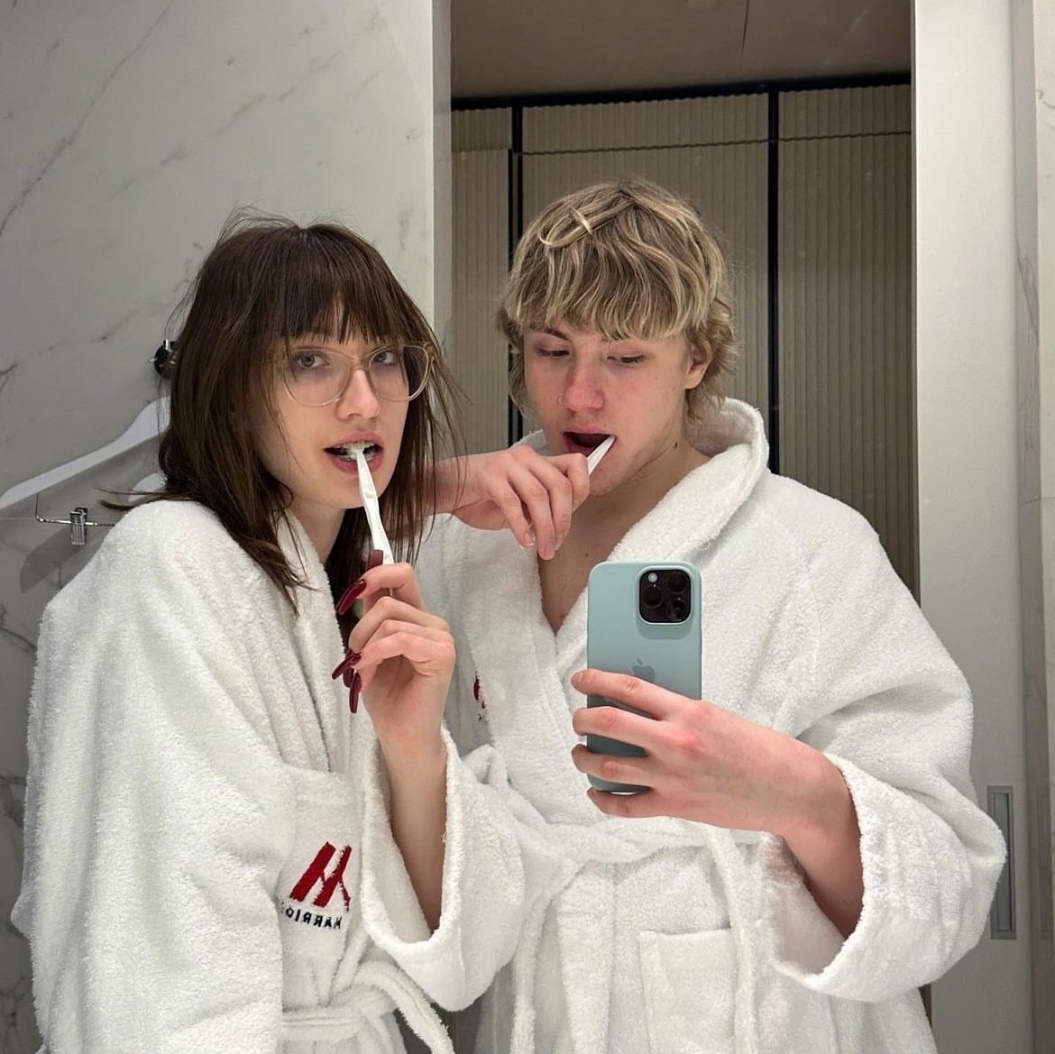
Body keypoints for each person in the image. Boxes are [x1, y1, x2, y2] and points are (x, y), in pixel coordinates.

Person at [415, 177, 1007, 1053]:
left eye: (624, 358)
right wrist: (419, 495)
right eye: (551, 350)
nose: (579, 396)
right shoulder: (461, 544)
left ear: (694, 358)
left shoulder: (810, 548)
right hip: (540, 1011)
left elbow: (946, 880)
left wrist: (795, 793)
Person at [12, 215, 547, 1053]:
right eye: (309, 361)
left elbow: (465, 956)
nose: (363, 400)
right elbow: (169, 965)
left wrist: (413, 751)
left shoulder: (351, 596)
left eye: (383, 358)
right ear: (232, 394)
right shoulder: (170, 570)